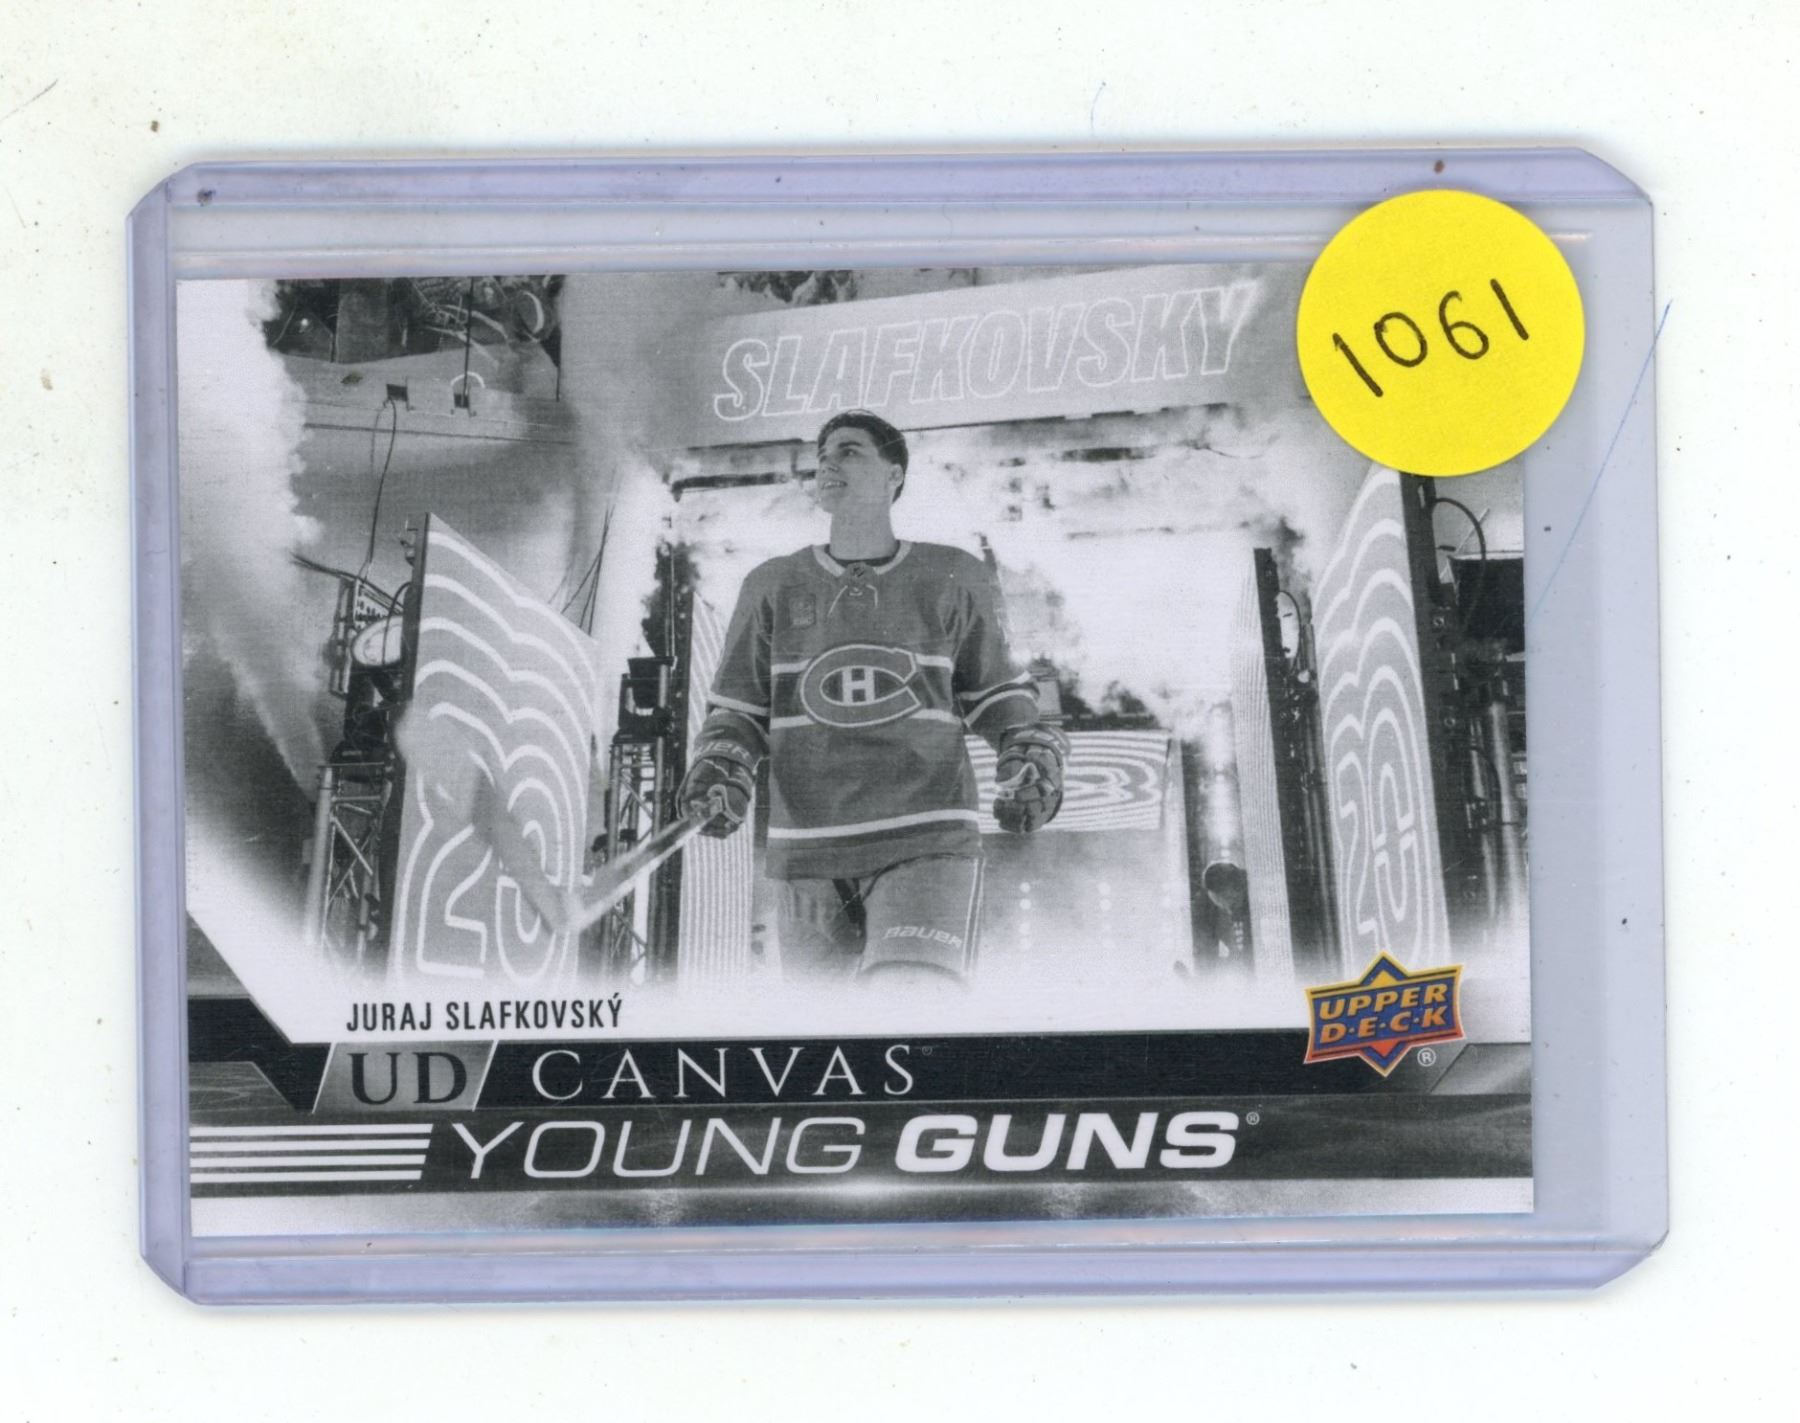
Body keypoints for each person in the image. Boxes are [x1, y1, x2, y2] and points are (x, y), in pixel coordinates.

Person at [676, 410, 1067, 985]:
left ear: (894, 475)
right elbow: (739, 712)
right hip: (806, 852)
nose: (828, 464)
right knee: (825, 1031)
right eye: (823, 456)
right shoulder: (769, 583)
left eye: (849, 451)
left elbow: (999, 694)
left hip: (926, 838)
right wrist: (721, 762)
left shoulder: (955, 574)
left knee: (909, 1001)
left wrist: (1027, 748)